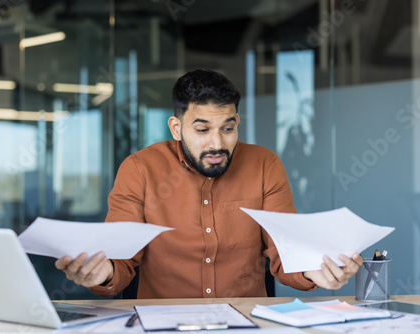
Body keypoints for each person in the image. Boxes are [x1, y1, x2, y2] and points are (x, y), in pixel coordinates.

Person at [55, 69, 363, 299]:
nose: (217, 143)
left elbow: (286, 251)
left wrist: (316, 271)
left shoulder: (264, 165)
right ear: (176, 128)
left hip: (245, 324)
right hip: (163, 327)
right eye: (202, 130)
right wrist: (101, 272)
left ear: (237, 122)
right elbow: (120, 261)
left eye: (227, 128)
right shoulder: (140, 170)